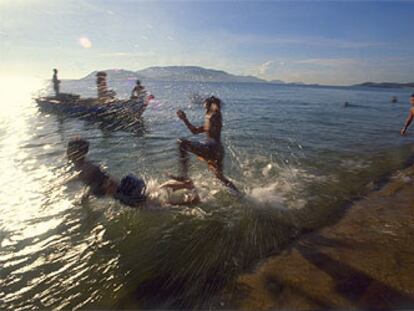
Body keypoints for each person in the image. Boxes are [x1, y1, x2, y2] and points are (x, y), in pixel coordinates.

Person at [66, 138, 199, 206]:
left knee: (159, 207)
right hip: (126, 187)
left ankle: (191, 202)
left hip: (125, 192)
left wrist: (122, 196)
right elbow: (93, 182)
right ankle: (186, 185)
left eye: (70, 149)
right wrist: (85, 198)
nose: (67, 152)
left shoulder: (84, 169)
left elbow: (104, 181)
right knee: (154, 193)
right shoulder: (84, 167)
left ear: (77, 152)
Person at [172, 96, 240, 193]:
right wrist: (184, 119)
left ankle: (184, 176)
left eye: (205, 102)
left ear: (210, 104)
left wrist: (214, 104)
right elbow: (194, 131)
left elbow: (216, 110)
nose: (203, 104)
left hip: (212, 148)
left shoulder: (215, 115)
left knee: (182, 143)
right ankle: (240, 195)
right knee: (220, 178)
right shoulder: (210, 119)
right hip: (218, 151)